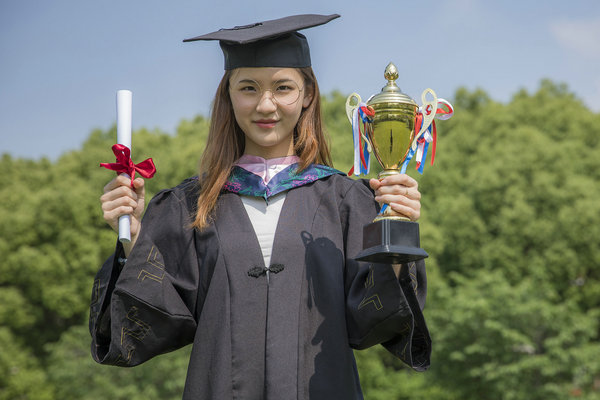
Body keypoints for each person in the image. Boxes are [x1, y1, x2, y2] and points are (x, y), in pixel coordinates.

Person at [90, 14, 431, 400]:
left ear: (307, 95)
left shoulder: (347, 201)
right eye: (248, 88)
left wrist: (396, 233)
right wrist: (133, 237)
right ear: (229, 95)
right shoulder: (189, 205)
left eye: (283, 87)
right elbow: (153, 324)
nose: (265, 104)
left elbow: (371, 322)